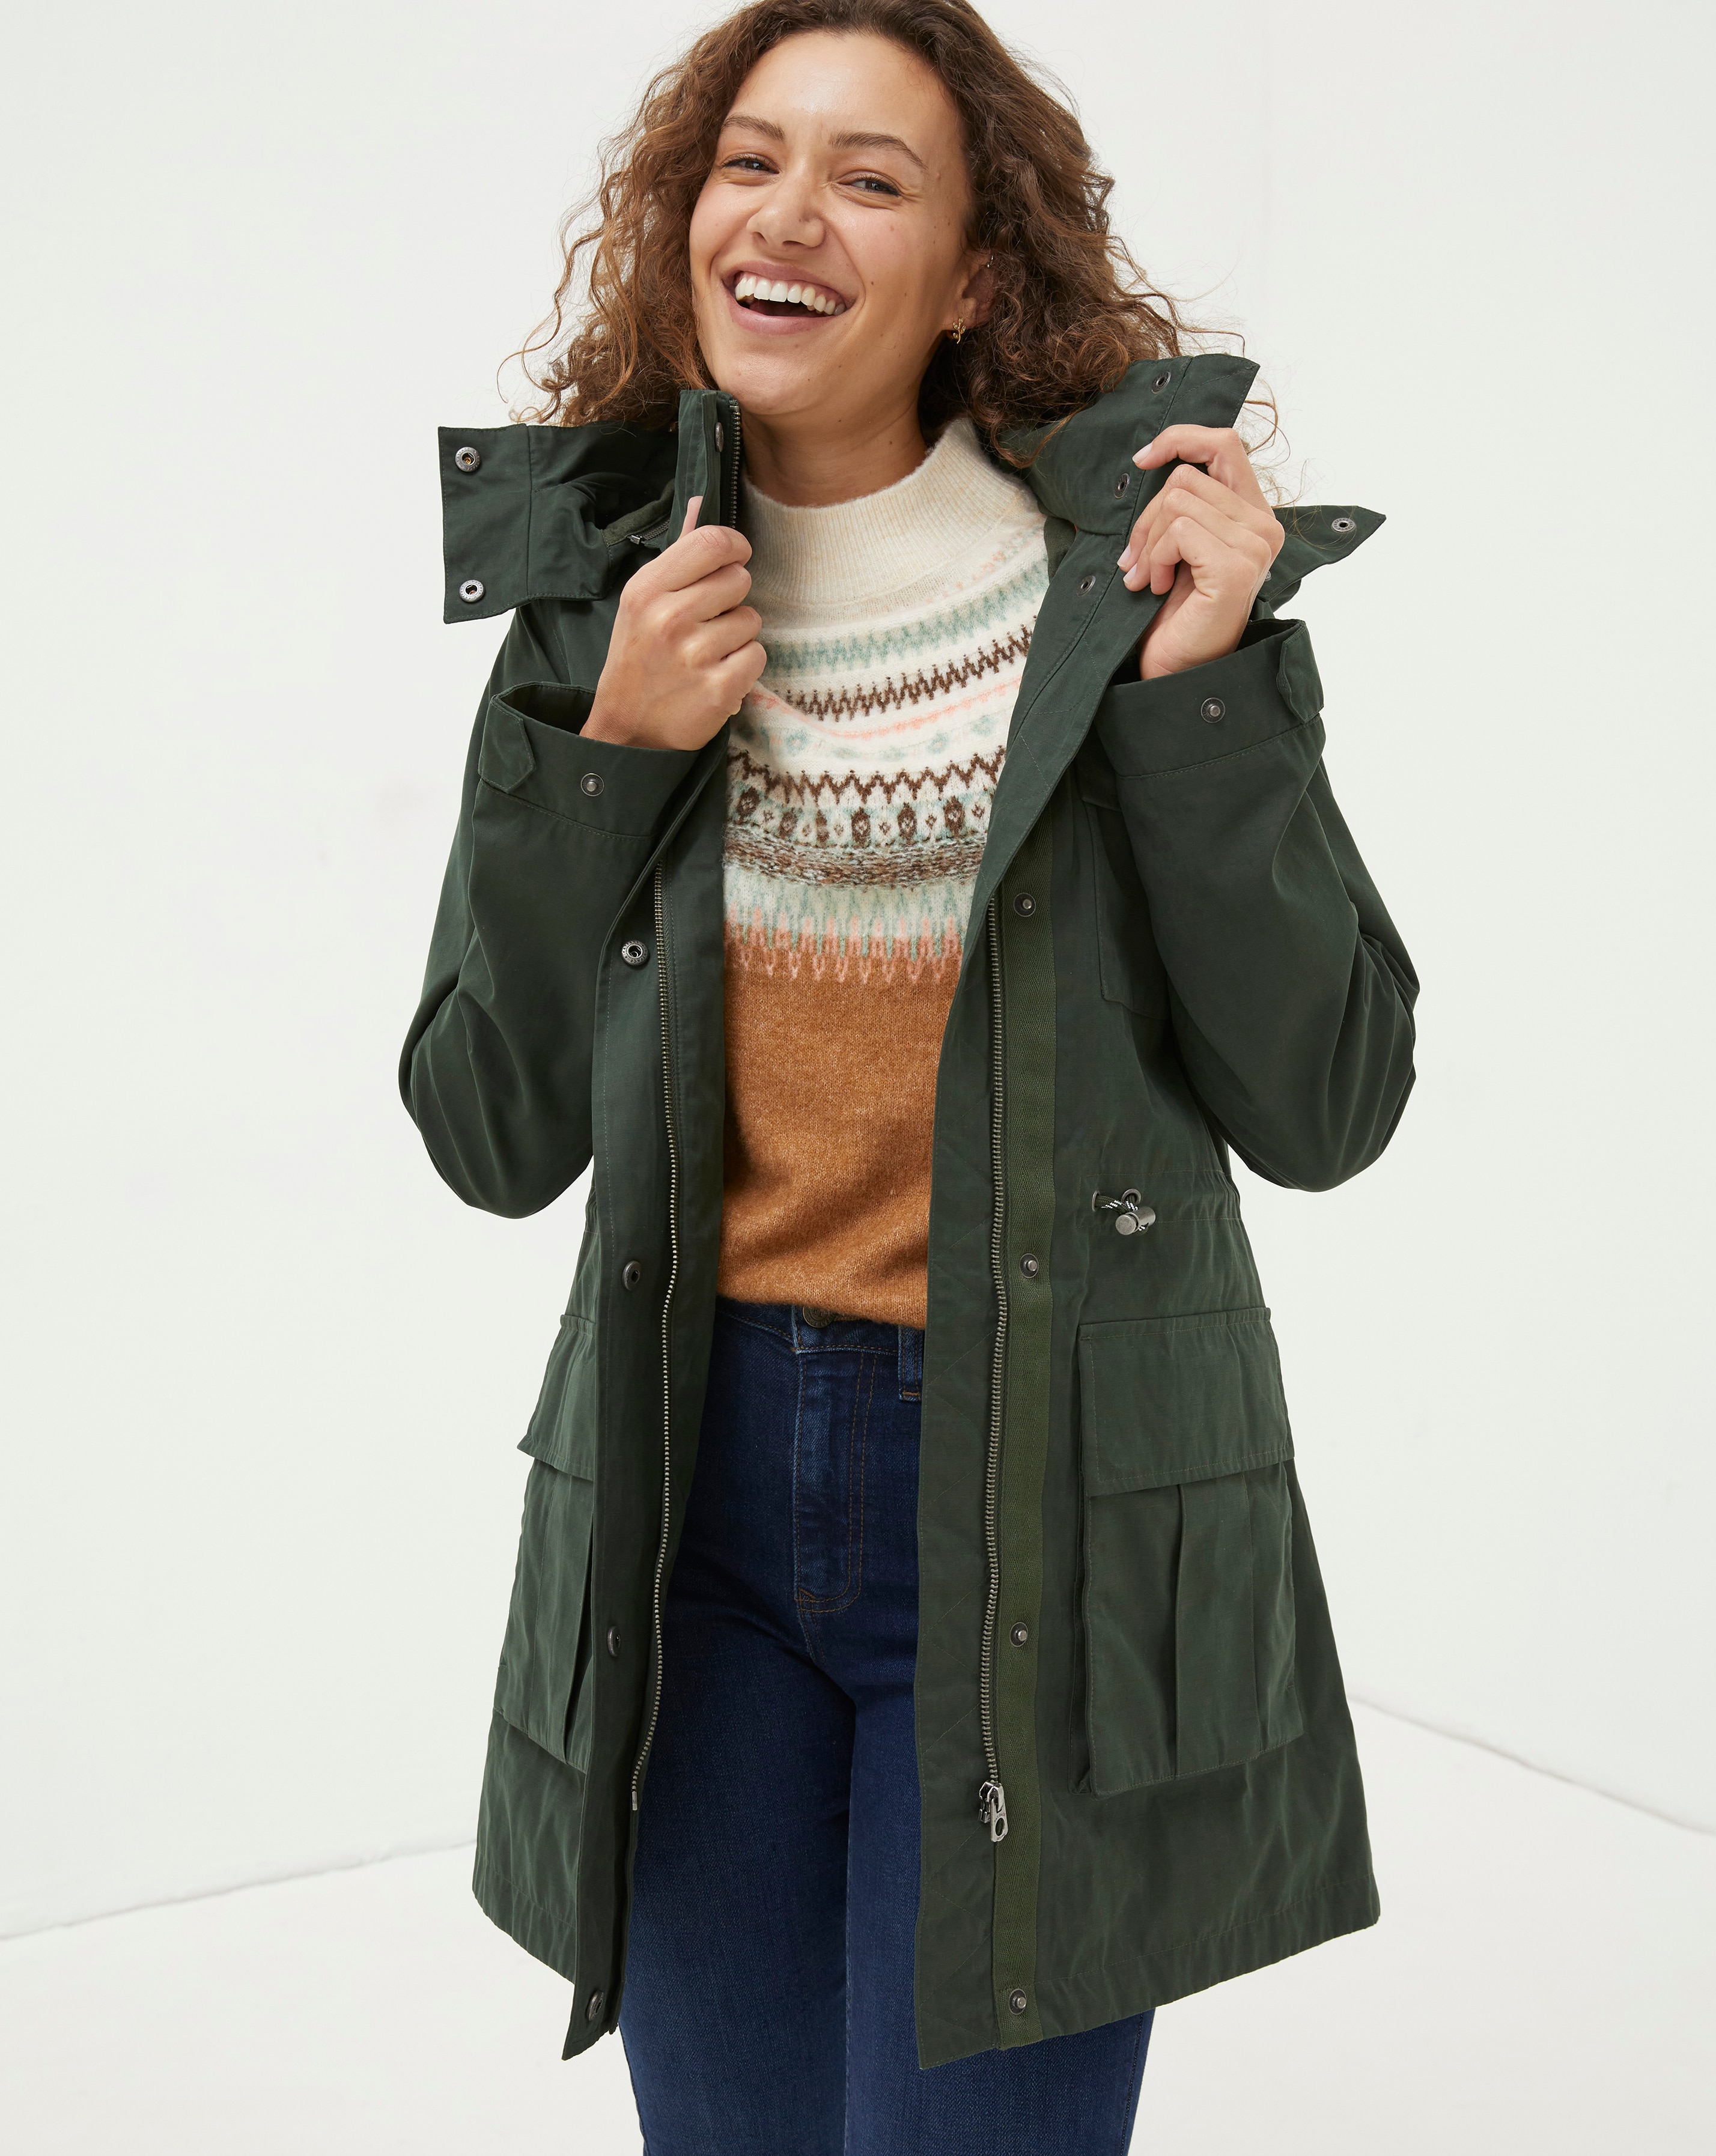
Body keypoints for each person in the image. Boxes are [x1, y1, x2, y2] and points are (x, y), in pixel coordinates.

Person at [400, 2, 1417, 2149]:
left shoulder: (1122, 597)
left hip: (1042, 1494)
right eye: (749, 161)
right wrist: (615, 758)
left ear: (973, 276)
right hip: (692, 1507)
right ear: (685, 219)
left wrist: (1205, 694)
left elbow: (1329, 1102)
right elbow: (488, 1134)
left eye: (872, 179)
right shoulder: (613, 608)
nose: (788, 216)